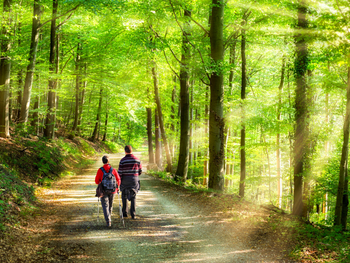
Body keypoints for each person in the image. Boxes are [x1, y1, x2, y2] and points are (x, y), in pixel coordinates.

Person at [95, 155, 121, 227]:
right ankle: (109, 218)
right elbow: (118, 179)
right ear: (108, 161)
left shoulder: (100, 170)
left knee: (105, 205)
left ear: (102, 161)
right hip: (113, 190)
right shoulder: (113, 170)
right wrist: (117, 187)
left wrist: (101, 182)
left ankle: (108, 221)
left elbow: (96, 181)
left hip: (103, 191)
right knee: (110, 205)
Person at [118, 145, 142, 219]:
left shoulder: (122, 160)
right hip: (134, 180)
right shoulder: (137, 160)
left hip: (125, 180)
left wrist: (119, 182)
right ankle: (133, 214)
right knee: (133, 196)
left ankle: (125, 213)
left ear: (125, 151)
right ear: (131, 150)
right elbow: (140, 171)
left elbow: (120, 173)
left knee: (124, 195)